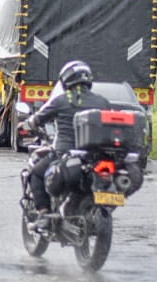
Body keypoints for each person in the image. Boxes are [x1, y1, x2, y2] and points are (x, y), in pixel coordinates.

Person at [19, 60, 112, 226]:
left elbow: (37, 119)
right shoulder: (102, 102)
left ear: (66, 80)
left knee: (36, 174)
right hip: (95, 158)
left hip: (64, 154)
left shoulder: (60, 101)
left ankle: (44, 214)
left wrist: (25, 125)